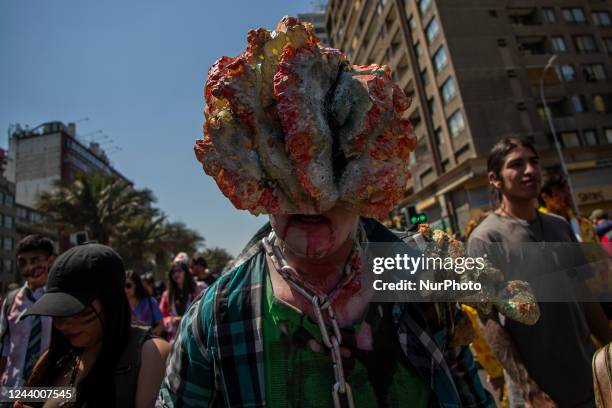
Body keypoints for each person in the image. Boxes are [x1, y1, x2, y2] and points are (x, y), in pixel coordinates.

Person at [158, 17, 492, 407]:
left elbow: (472, 396)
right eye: (285, 163)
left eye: (334, 160)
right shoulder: (215, 320)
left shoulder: (424, 284)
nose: (311, 197)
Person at [467, 137, 612, 407]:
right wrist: (528, 388)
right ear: (494, 179)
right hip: (539, 395)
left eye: (534, 162)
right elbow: (489, 321)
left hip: (590, 381)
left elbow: (586, 296)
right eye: (516, 165)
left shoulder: (561, 227)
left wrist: (609, 349)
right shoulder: (485, 239)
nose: (530, 170)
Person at [20, 243, 170, 408]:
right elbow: (20, 396)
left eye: (76, 311)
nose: (62, 324)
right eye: (56, 312)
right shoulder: (53, 359)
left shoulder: (148, 354)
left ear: (111, 304)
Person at [0, 235, 55, 389]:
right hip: (11, 387)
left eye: (35, 261)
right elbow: (4, 345)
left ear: (49, 260)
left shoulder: (60, 301)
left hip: (46, 390)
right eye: (22, 262)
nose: (28, 268)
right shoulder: (11, 301)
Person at [539, 176, 599, 243]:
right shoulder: (538, 227)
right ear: (545, 197)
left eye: (567, 189)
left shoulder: (585, 224)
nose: (567, 194)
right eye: (560, 191)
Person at [159, 262, 205, 342]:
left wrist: (188, 318)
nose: (176, 274)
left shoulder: (199, 288)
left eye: (179, 270)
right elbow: (161, 317)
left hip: (197, 336)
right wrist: (171, 320)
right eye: (173, 272)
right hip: (176, 340)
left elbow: (206, 309)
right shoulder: (167, 295)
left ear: (186, 272)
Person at [125, 270, 163, 336]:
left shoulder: (150, 302)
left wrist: (147, 337)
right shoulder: (119, 306)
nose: (125, 289)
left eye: (128, 285)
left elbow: (160, 326)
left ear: (136, 285)